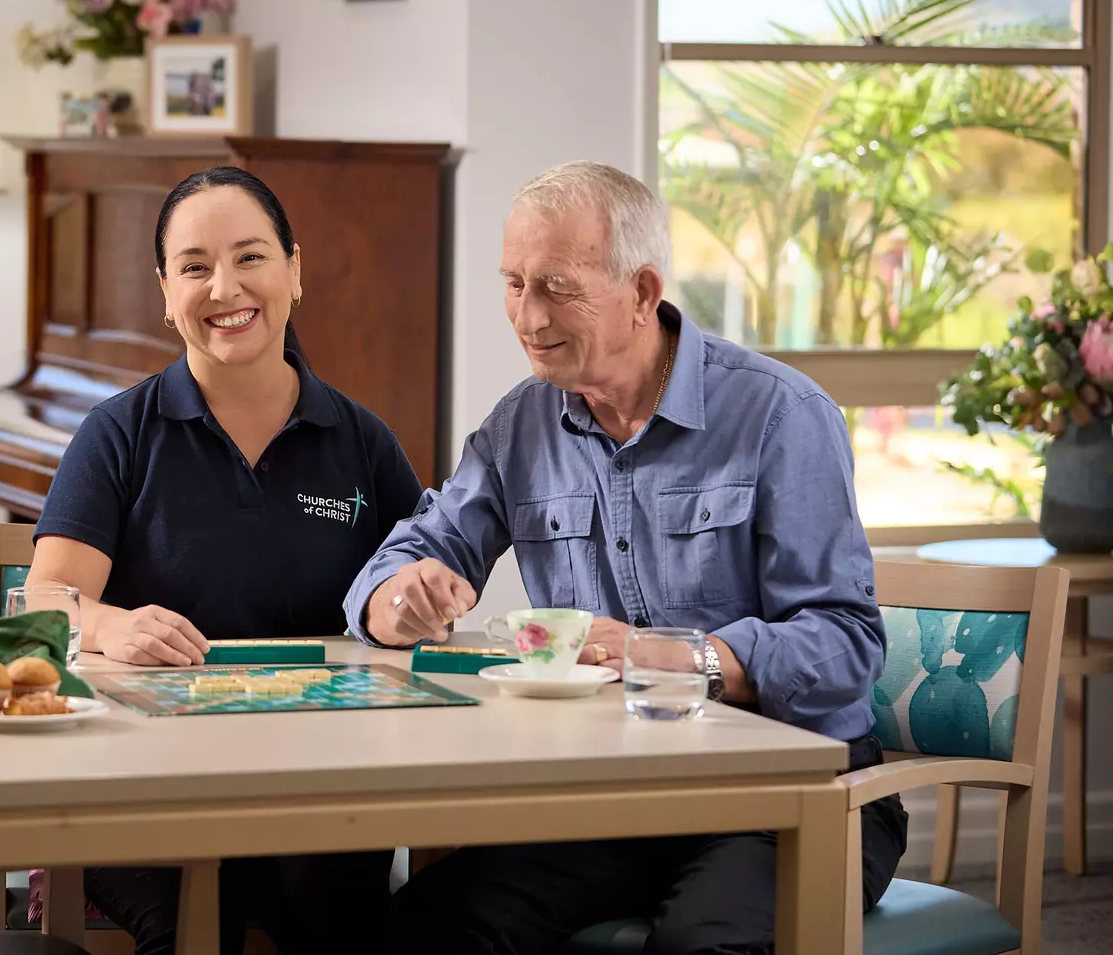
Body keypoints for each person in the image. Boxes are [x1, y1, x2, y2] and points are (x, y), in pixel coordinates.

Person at [343, 161, 908, 955]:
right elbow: (420, 547)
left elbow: (846, 645)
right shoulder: (521, 425)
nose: (526, 317)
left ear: (642, 291)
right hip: (616, 799)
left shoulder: (781, 416)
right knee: (423, 930)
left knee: (702, 945)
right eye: (513, 283)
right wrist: (396, 595)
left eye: (556, 287)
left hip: (794, 797)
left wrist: (667, 656)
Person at [25, 165, 421, 954]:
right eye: (195, 267)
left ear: (293, 271)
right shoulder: (118, 434)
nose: (223, 287)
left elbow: (412, 591)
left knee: (352, 928)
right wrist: (109, 626)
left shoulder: (362, 441)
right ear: (166, 292)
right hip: (139, 782)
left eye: (249, 257)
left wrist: (419, 603)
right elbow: (43, 604)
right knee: (187, 930)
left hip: (315, 780)